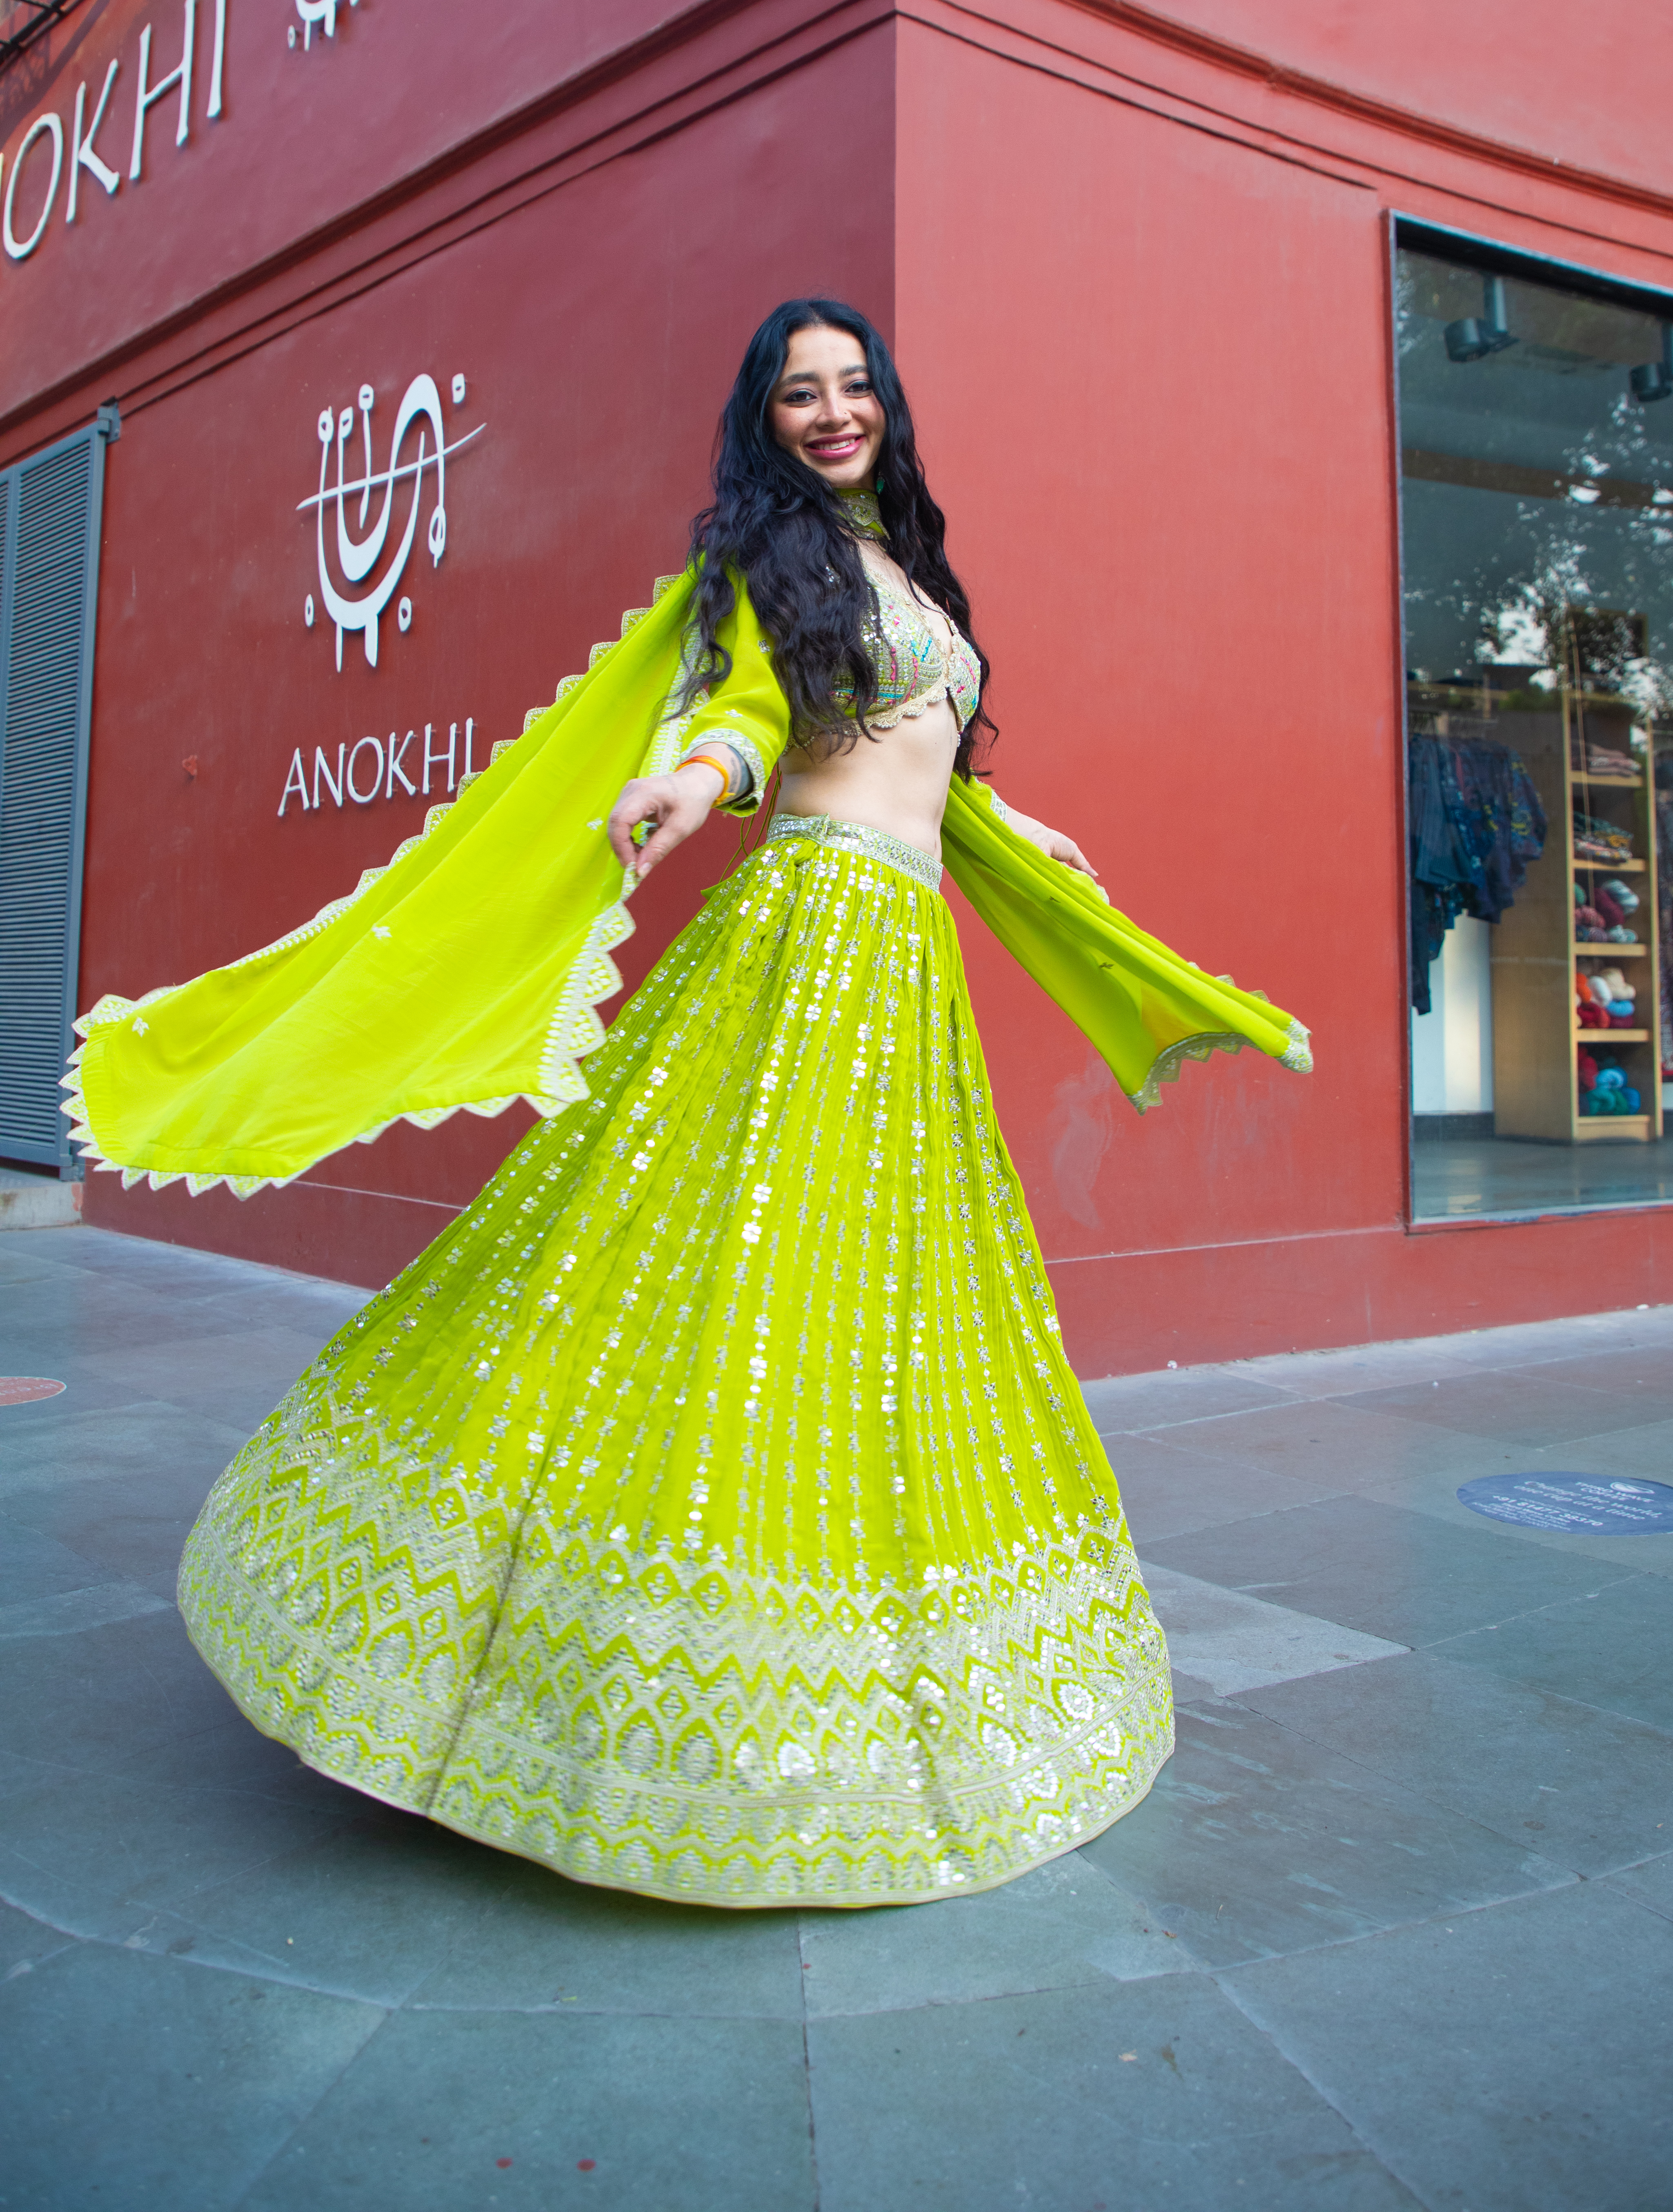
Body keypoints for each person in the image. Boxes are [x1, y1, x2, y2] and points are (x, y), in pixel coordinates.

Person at [65, 299, 1310, 1910]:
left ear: (887, 406)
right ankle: (541, 1686)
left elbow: (929, 758)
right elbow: (742, 713)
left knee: (885, 1305)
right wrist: (691, 782)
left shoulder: (914, 574)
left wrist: (1020, 831)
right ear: (766, 418)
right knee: (694, 1276)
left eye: (855, 385)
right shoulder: (762, 565)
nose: (835, 410)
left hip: (902, 969)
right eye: (803, 392)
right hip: (800, 953)